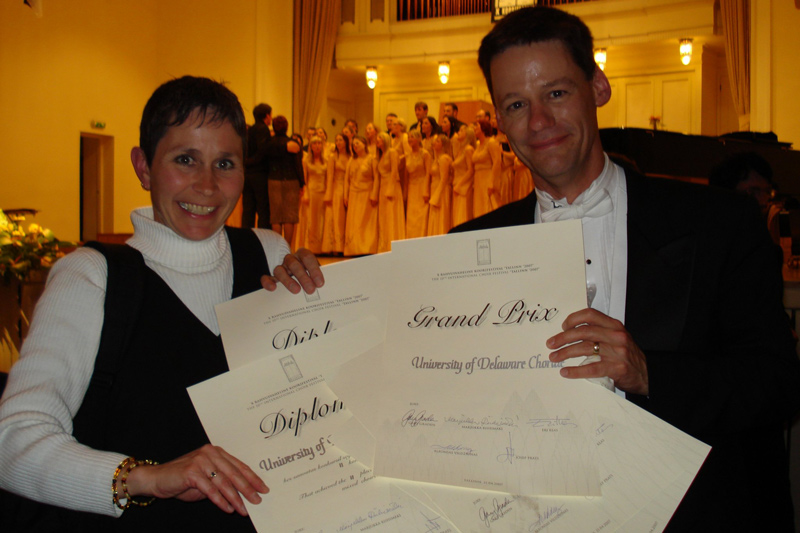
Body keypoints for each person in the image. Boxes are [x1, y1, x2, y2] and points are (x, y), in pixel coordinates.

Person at [451, 7, 800, 532]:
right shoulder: (464, 249)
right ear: (499, 120)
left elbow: (777, 383)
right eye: (517, 104)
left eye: (557, 93)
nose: (538, 121)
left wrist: (649, 373)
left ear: (598, 87)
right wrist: (298, 297)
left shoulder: (718, 223)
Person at [0, 76, 324, 532]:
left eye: (225, 163)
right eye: (185, 160)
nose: (207, 186)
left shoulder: (269, 254)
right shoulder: (92, 277)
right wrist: (149, 477)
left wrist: (325, 307)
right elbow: (13, 441)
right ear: (144, 167)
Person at [265, 116, 303, 247]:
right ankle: (287, 247)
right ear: (287, 127)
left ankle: (277, 248)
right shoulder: (293, 143)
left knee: (276, 216)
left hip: (273, 180)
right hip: (291, 179)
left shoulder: (269, 143)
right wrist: (302, 183)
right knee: (289, 216)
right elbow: (298, 165)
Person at [343, 136, 379, 256]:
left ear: (364, 144)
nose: (355, 146)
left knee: (366, 223)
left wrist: (374, 194)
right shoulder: (351, 160)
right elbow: (346, 180)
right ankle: (354, 248)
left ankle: (366, 247)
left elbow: (376, 178)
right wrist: (345, 195)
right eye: (353, 145)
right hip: (354, 194)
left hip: (367, 194)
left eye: (357, 143)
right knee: (354, 222)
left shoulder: (371, 159)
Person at [241, 103, 272, 228]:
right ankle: (262, 240)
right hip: (259, 174)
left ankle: (245, 238)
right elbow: (263, 151)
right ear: (267, 116)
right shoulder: (263, 129)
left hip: (247, 174)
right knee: (263, 210)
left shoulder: (250, 130)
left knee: (248, 210)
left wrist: (246, 162)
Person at [376, 132, 405, 253]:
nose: (377, 141)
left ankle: (393, 245)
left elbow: (394, 171)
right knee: (384, 217)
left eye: (380, 139)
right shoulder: (381, 155)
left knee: (392, 215)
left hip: (392, 187)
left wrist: (390, 189)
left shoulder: (392, 152)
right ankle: (384, 244)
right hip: (383, 186)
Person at [321, 133, 350, 255]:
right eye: (336, 140)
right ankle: (335, 246)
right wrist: (328, 193)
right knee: (337, 217)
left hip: (349, 187)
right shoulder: (333, 157)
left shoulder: (351, 156)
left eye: (341, 140)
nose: (338, 143)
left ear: (346, 142)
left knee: (347, 219)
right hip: (337, 188)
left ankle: (346, 245)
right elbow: (330, 176)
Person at [300, 136, 327, 254]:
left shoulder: (326, 160)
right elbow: (304, 179)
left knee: (321, 219)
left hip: (323, 192)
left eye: (319, 143)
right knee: (311, 219)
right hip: (311, 192)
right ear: (310, 146)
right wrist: (305, 193)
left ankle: (320, 247)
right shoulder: (306, 160)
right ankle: (310, 246)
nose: (317, 145)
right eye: (314, 143)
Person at [404, 129, 431, 239]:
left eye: (412, 137)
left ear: (419, 139)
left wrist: (426, 190)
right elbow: (406, 175)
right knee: (411, 216)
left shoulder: (425, 154)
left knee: (421, 214)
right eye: (409, 137)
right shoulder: (407, 155)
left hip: (422, 186)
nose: (409, 139)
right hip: (412, 187)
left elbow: (428, 173)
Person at [471, 120, 502, 217]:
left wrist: (491, 183)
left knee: (488, 204)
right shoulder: (478, 144)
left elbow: (497, 162)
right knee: (478, 206)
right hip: (478, 179)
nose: (474, 128)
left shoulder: (491, 142)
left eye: (477, 126)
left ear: (483, 128)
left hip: (487, 178)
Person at [427, 133, 453, 236]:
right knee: (435, 217)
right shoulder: (436, 158)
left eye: (438, 141)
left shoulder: (443, 159)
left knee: (441, 216)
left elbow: (444, 179)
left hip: (441, 191)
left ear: (443, 145)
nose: (434, 143)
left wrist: (436, 197)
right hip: (435, 188)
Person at [451, 125, 475, 227]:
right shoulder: (461, 149)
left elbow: (471, 170)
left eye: (461, 131)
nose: (458, 132)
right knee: (456, 217)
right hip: (457, 185)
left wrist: (459, 185)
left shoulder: (468, 149)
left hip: (464, 187)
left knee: (462, 217)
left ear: (467, 134)